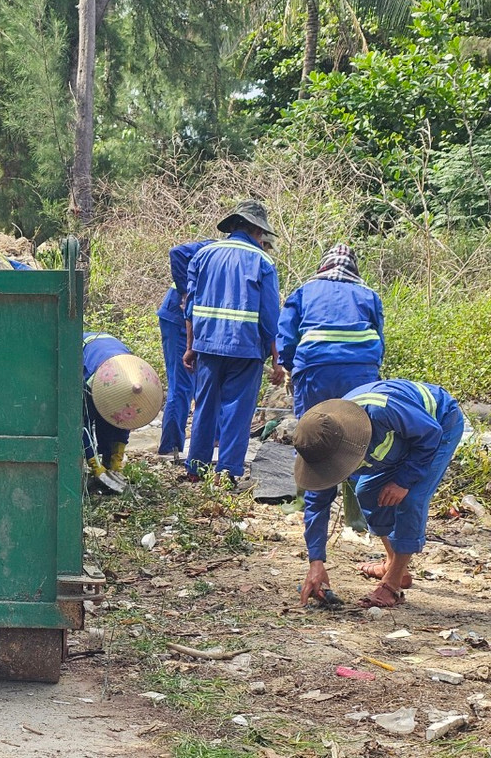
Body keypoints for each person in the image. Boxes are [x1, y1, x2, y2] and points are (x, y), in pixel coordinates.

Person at [295, 379, 464, 608]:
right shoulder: (316, 448)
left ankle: (392, 584)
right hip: (403, 442)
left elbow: (429, 434)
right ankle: (396, 565)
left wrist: (403, 481)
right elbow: (316, 504)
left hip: (438, 426)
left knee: (411, 498)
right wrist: (316, 562)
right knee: (367, 492)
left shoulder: (380, 410)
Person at [182, 200, 284, 482]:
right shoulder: (263, 261)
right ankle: (226, 471)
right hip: (246, 348)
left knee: (204, 406)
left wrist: (190, 347)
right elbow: (269, 316)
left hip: (207, 345)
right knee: (237, 410)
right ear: (255, 229)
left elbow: (189, 306)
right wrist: (277, 357)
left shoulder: (204, 255)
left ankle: (196, 468)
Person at [277, 244, 385, 418]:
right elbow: (379, 336)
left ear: (324, 264)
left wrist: (289, 367)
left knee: (311, 429)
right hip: (360, 371)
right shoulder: (370, 295)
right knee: (356, 430)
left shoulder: (304, 292)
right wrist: (374, 366)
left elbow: (287, 336)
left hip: (314, 369)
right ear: (354, 268)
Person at [82, 332, 164, 493]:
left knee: (115, 416)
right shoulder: (90, 380)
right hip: (88, 363)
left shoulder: (135, 376)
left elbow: (124, 420)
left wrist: (116, 460)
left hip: (113, 361)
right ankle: (97, 465)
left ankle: (109, 463)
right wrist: (94, 464)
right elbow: (82, 425)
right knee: (89, 416)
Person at [156, 239, 212, 460]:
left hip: (197, 323)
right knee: (181, 384)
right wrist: (185, 293)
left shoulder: (246, 260)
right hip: (178, 319)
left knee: (205, 385)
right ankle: (170, 447)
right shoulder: (212, 248)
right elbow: (176, 253)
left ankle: (211, 440)